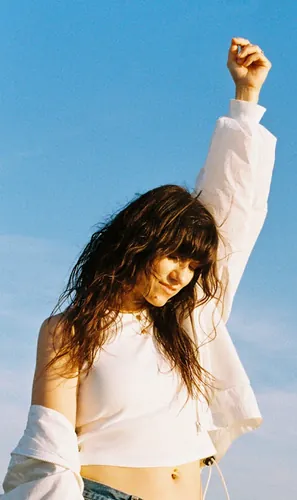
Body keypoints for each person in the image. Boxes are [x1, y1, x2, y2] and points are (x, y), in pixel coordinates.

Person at [2, 37, 277, 500]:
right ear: (137, 244)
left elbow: (234, 208)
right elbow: (50, 447)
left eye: (193, 266)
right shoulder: (70, 331)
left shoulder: (190, 321)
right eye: (173, 257)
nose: (181, 276)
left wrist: (246, 101)